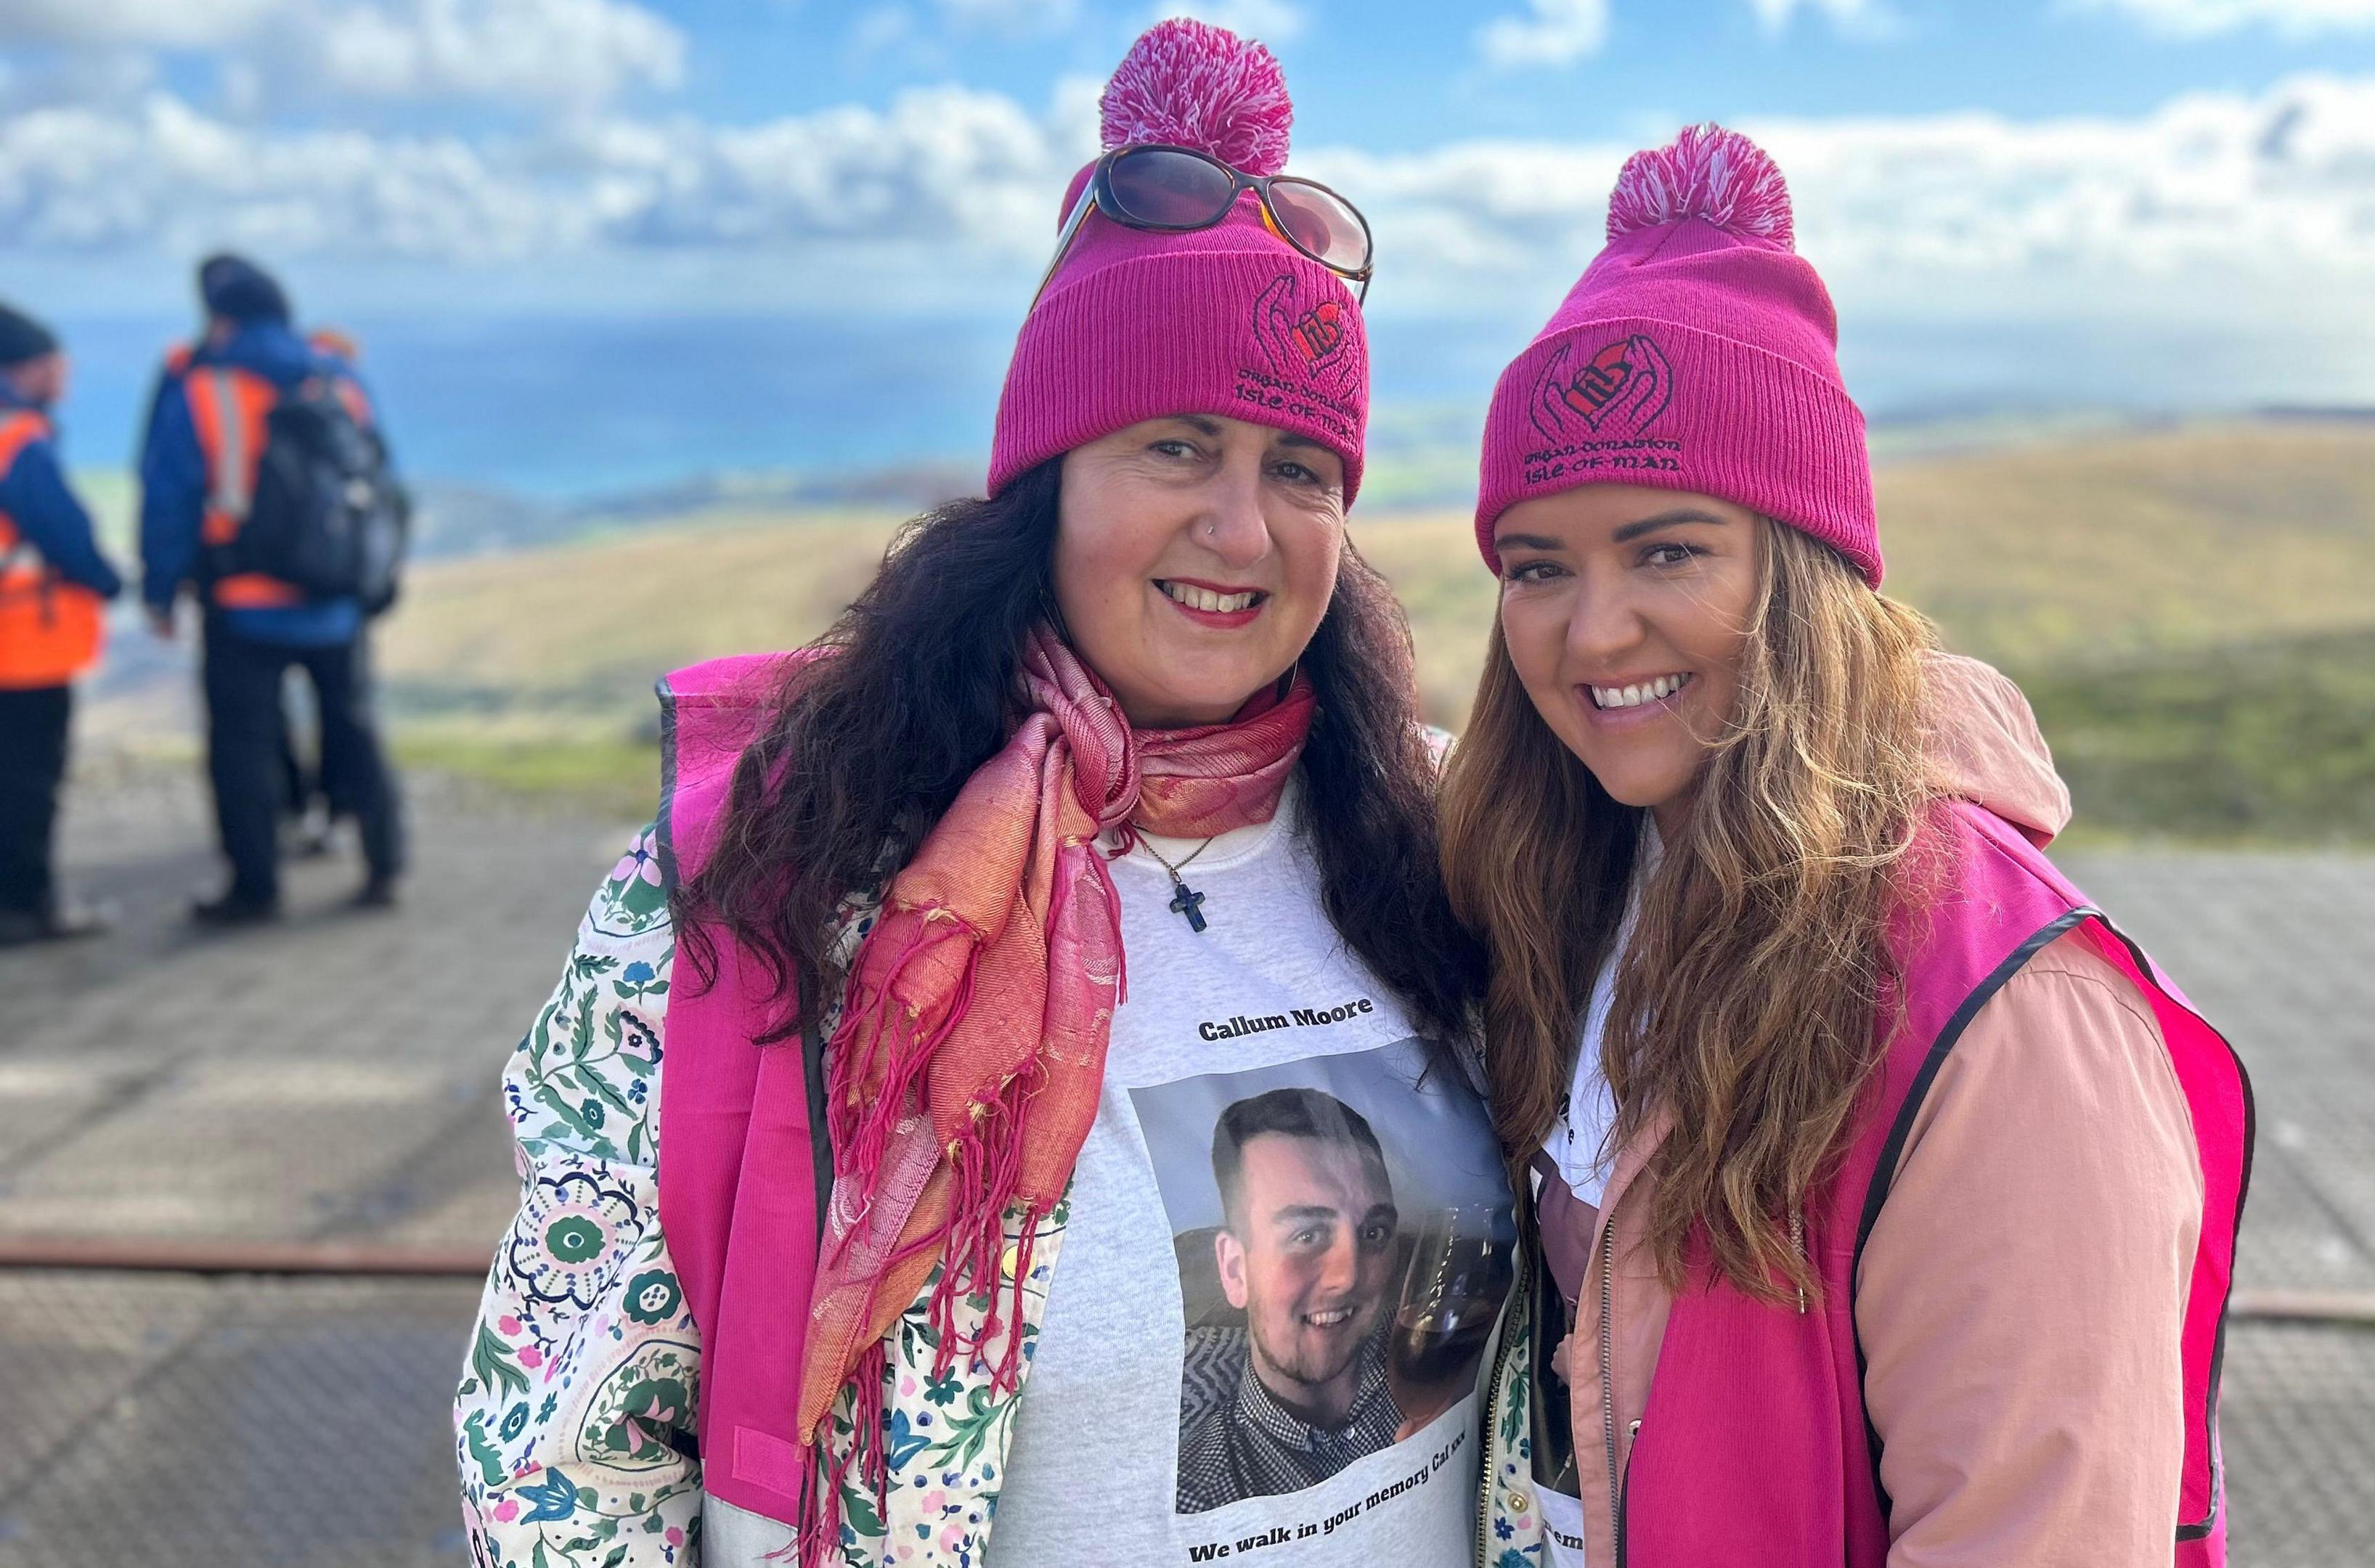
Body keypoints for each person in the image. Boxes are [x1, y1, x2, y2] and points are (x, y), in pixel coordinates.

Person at [455, 23, 1521, 1568]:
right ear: (1049, 480)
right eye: (1178, 447)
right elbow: (567, 1476)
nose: (1243, 526)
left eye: (1303, 468)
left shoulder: (1446, 843)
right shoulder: (773, 882)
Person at [1437, 126, 2254, 1568]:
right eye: (1538, 567)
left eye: (1668, 549)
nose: (1592, 630)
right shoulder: (1587, 877)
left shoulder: (2010, 1015)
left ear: (1805, 573)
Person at [138, 253, 404, 923]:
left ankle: (255, 888)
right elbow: (378, 483)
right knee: (353, 727)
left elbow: (170, 496)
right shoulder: (338, 376)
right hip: (337, 599)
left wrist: (162, 588)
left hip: (242, 601)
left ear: (220, 317)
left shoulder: (202, 385)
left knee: (242, 746)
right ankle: (384, 864)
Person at [1180, 1088, 1402, 1512]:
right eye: (1306, 1236)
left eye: (1373, 1233)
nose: (1348, 1276)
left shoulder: (1430, 1361)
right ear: (1234, 1270)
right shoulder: (1196, 1500)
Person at [0, 301, 123, 947]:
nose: (66, 374)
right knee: (26, 781)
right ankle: (26, 905)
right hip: (22, 645)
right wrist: (109, 581)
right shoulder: (18, 440)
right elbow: (67, 537)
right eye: (55, 361)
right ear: (26, 368)